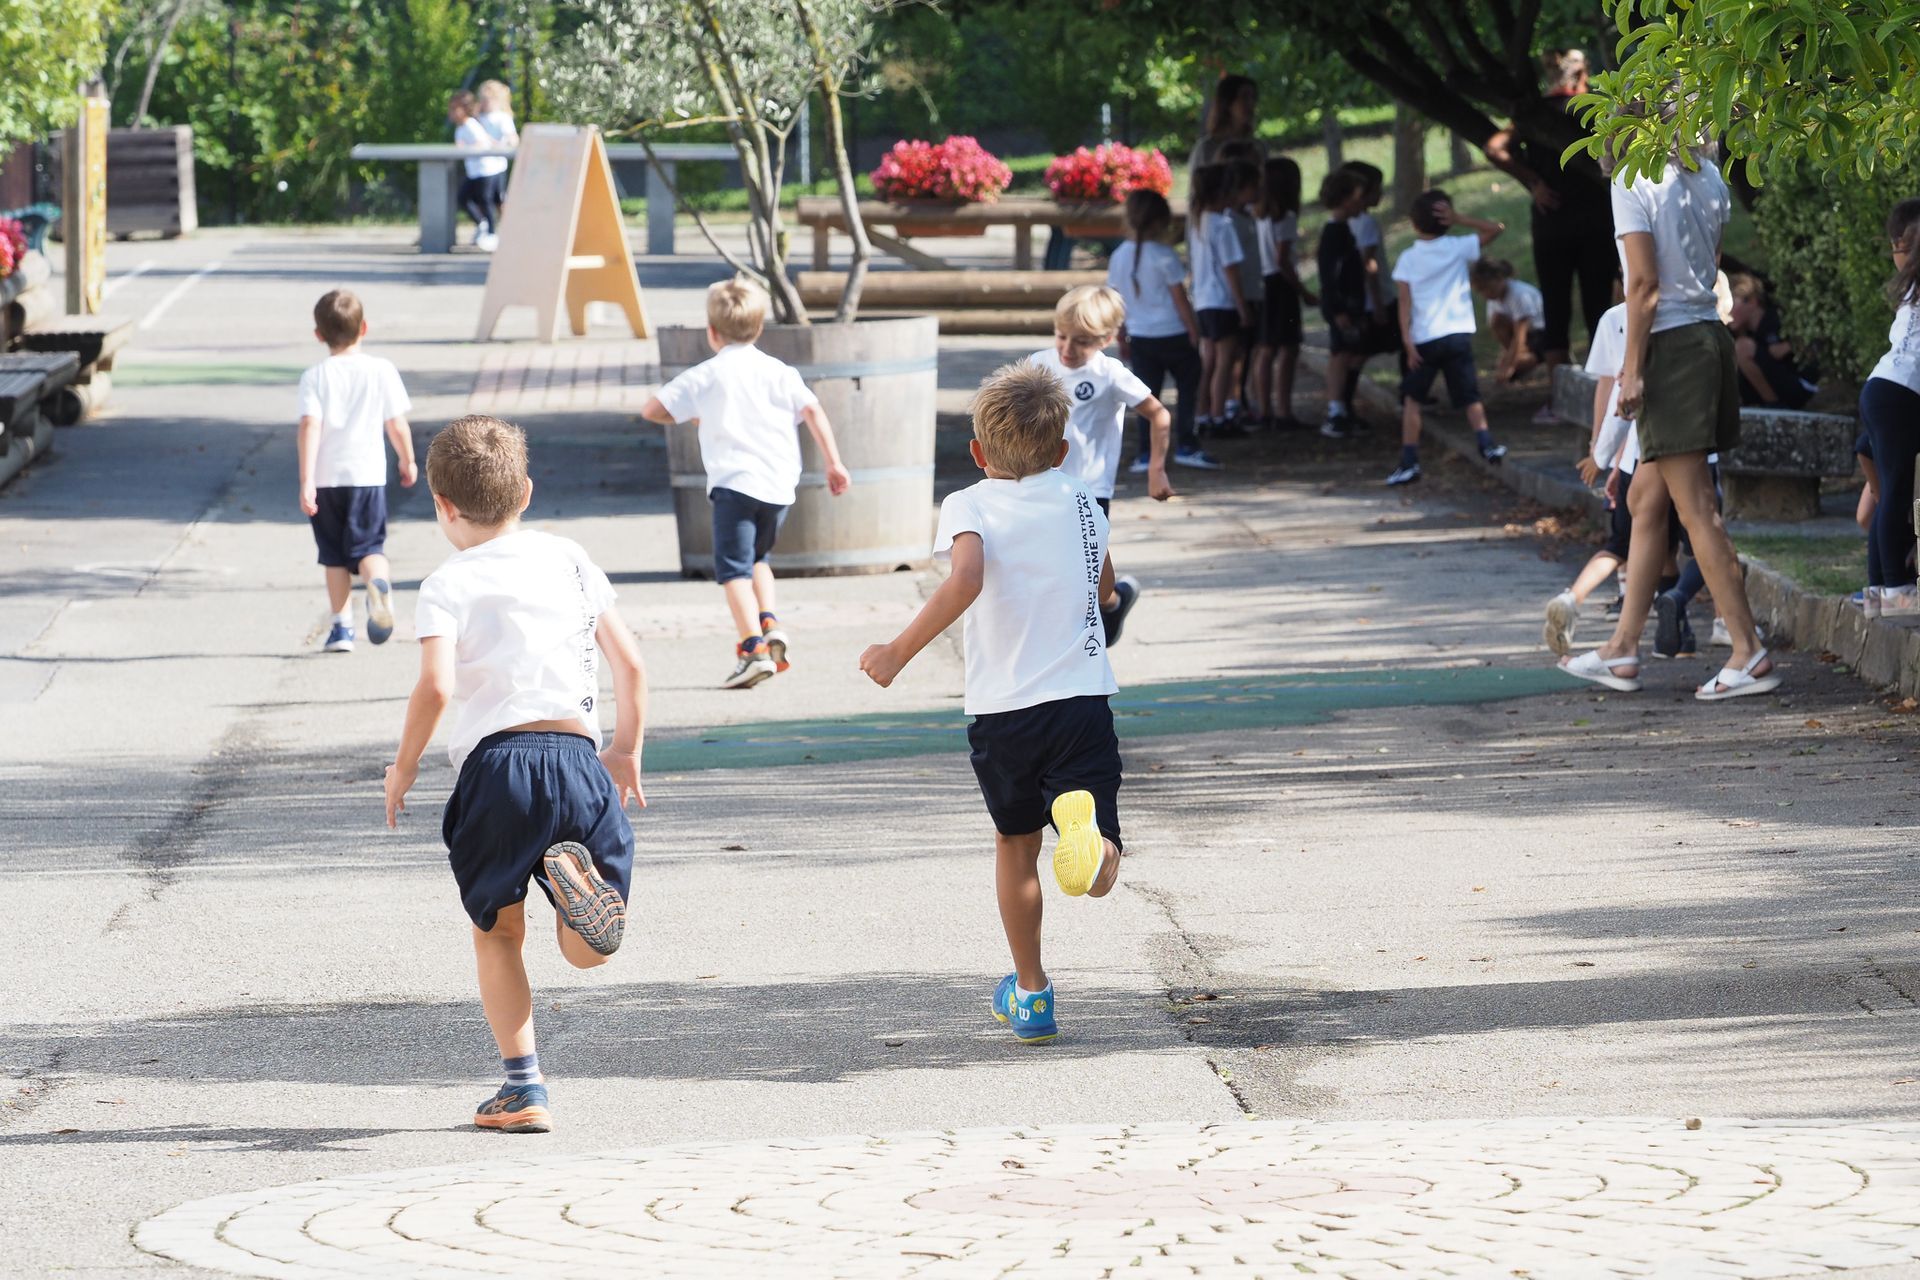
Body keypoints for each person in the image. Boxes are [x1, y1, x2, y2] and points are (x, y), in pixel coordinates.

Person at [384, 414, 648, 1134]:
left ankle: (523, 1087)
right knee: (585, 951)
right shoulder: (568, 558)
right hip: (578, 758)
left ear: (442, 506)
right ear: (526, 491)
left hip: (496, 769)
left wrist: (402, 768)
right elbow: (631, 664)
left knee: (498, 934)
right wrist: (624, 750)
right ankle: (580, 896)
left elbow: (436, 687)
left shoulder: (446, 582)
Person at [857, 364, 1125, 1044]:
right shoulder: (1084, 499)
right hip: (1083, 701)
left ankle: (1032, 994)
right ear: (1062, 452)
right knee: (1096, 853)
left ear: (978, 452)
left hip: (1006, 708)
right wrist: (1105, 601)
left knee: (1016, 843)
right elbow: (1105, 589)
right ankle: (1092, 853)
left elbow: (967, 577)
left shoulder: (968, 503)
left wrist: (896, 651)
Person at [1560, 130, 1779, 700]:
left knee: (1698, 509)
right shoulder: (1705, 175)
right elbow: (1711, 269)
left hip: (1672, 349)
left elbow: (1643, 285)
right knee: (1643, 500)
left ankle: (1747, 652)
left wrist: (1631, 370)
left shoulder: (1634, 177)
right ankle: (1623, 648)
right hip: (1707, 339)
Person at [639, 278, 852, 688]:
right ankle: (769, 623)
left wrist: (693, 414)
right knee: (758, 560)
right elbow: (813, 410)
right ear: (759, 328)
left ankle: (752, 648)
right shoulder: (779, 371)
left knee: (733, 571)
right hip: (778, 485)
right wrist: (833, 462)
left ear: (712, 331)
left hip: (734, 484)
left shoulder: (706, 375)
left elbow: (653, 409)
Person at [1027, 284, 1174, 645]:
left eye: (1081, 341)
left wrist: (1156, 468)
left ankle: (1111, 603)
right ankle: (1086, 620)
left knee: (1087, 572)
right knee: (1048, 564)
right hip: (1041, 483)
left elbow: (1159, 415)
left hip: (1090, 488)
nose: (1067, 349)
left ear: (1106, 339)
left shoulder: (1110, 374)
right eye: (1061, 336)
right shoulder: (1038, 365)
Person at [296, 288, 416, 654]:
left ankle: (342, 629)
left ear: (319, 335)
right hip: (367, 476)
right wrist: (407, 459)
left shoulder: (315, 376)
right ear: (364, 327)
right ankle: (378, 585)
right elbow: (396, 423)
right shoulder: (381, 370)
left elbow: (309, 426)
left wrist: (306, 481)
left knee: (333, 555)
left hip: (328, 478)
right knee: (370, 547)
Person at [1484, 49, 1618, 369]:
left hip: (1551, 225)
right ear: (1584, 74)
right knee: (1599, 306)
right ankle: (1606, 386)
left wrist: (1533, 182)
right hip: (1597, 222)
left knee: (1555, 310)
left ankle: (1556, 395)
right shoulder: (1597, 109)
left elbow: (1493, 148)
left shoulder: (1536, 114)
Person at [1388, 189, 1508, 486]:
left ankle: (1409, 461)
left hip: (1425, 338)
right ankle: (1486, 443)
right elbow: (1495, 229)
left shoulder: (1408, 258)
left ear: (1414, 224)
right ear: (1447, 221)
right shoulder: (1458, 246)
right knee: (1469, 395)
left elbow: (1404, 302)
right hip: (1457, 334)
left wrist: (1406, 339)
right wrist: (1460, 218)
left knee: (1413, 400)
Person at [1544, 300, 1638, 655]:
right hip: (1658, 448)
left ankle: (1575, 597)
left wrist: (1601, 448)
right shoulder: (1675, 313)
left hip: (1624, 450)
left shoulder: (1613, 317)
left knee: (1625, 540)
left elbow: (1606, 388)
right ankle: (1720, 621)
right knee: (1693, 539)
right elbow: (1613, 388)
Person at [1107, 190, 1219, 472]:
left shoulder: (1119, 256)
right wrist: (1195, 331)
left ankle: (1146, 453)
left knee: (1145, 396)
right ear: (1161, 221)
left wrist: (1120, 334)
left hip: (1141, 337)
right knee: (1188, 392)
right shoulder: (1165, 255)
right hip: (1174, 334)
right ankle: (1187, 445)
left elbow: (1116, 301)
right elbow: (1180, 300)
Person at [1860, 198, 1920, 618]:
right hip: (1900, 394)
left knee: (1890, 492)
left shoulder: (1909, 290)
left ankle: (1880, 588)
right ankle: (1899, 590)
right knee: (1896, 490)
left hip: (1882, 389)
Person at [1187, 163, 1250, 437]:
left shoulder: (1198, 221)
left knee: (1209, 360)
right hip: (1222, 301)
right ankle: (1218, 414)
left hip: (1203, 300)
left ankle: (1202, 413)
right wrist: (1242, 306)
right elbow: (1231, 270)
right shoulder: (1224, 225)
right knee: (1225, 361)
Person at [1255, 157, 1315, 430]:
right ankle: (1283, 410)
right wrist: (1303, 290)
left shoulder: (1256, 214)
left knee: (1266, 350)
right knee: (1288, 350)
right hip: (1281, 285)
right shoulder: (1286, 217)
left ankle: (1264, 408)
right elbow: (1282, 259)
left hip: (1261, 282)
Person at [1316, 169, 1372, 439]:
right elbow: (1330, 275)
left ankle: (1344, 407)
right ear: (1345, 198)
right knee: (1341, 354)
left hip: (1351, 303)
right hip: (1342, 305)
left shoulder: (1344, 230)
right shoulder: (1334, 234)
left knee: (1352, 352)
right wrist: (1338, 309)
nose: (1362, 203)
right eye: (1358, 197)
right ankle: (1335, 410)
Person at [1725, 274, 1818, 409]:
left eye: (1732, 303)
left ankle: (1774, 404)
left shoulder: (1777, 318)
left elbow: (1812, 338)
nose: (1728, 310)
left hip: (1801, 384)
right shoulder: (1748, 332)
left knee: (1742, 348)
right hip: (1783, 382)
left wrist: (1789, 346)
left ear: (1751, 301)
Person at [1471, 258, 1549, 385]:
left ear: (1499, 278)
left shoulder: (1520, 295)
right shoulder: (1494, 301)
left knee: (1515, 365)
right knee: (1496, 320)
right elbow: (1502, 330)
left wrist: (1510, 365)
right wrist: (1506, 359)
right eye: (1480, 291)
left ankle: (1530, 361)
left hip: (1540, 335)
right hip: (1522, 338)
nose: (1485, 294)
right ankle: (1520, 361)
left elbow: (1520, 336)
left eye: (1487, 288)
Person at [449, 90, 506, 252]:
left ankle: (491, 233)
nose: (452, 113)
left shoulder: (469, 125)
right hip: (475, 171)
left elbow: (482, 144)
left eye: (455, 109)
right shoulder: (462, 127)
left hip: (485, 170)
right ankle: (483, 225)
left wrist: (464, 148)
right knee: (464, 198)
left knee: (485, 200)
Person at [1191, 74, 1265, 175]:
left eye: (1253, 98)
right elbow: (1197, 189)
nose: (1251, 104)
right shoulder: (1206, 149)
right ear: (1227, 103)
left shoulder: (1258, 147)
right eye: (1244, 97)